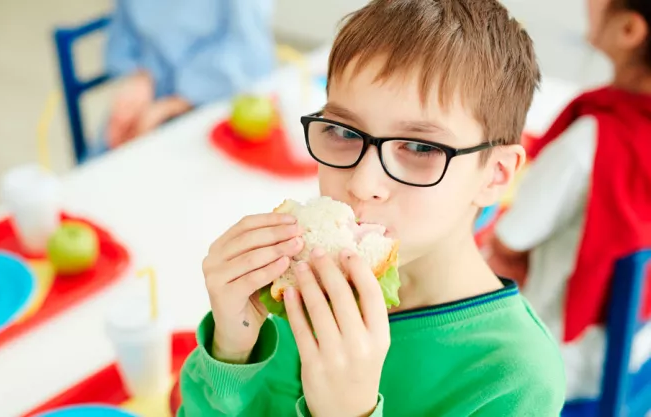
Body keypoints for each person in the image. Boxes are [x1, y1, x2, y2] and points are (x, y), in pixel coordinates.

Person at [176, 0, 566, 415]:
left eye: (419, 147)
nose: (361, 184)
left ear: (496, 175)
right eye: (344, 132)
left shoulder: (516, 378)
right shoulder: (287, 295)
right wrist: (232, 352)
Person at [487, 0, 651, 402]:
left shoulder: (593, 138)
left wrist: (502, 248)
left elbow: (511, 236)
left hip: (557, 358)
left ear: (630, 30)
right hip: (633, 351)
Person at [100, 0, 275, 152]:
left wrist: (172, 105)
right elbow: (124, 34)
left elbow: (247, 52)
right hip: (150, 96)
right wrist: (139, 76)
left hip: (223, 101)